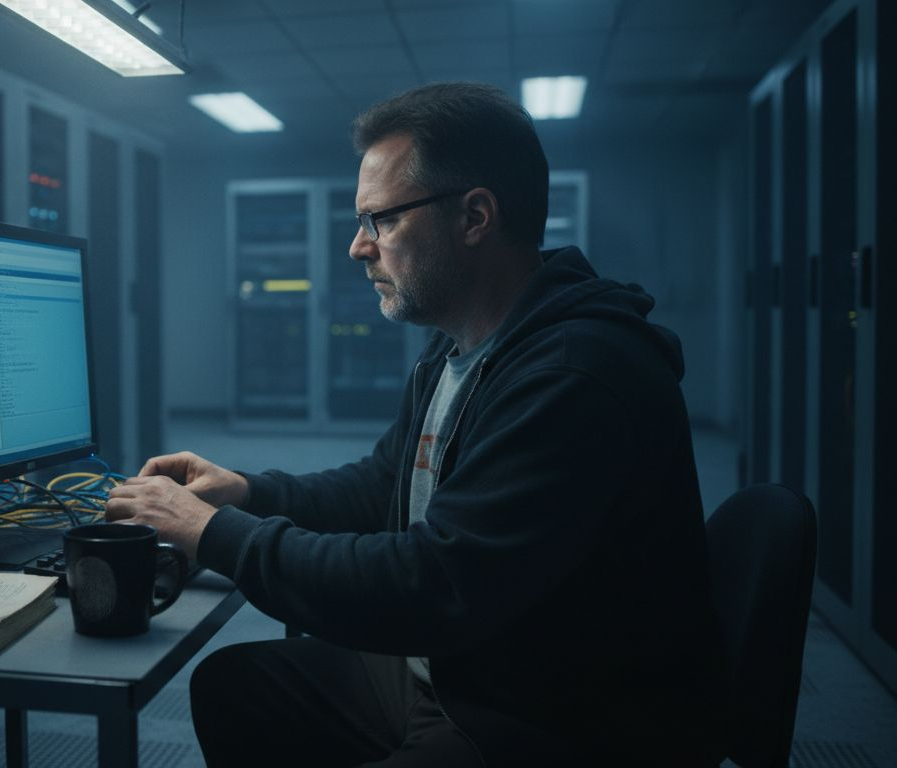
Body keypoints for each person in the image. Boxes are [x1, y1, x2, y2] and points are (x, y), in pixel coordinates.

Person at [105, 82, 724, 766]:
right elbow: (382, 489)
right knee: (238, 686)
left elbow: (434, 586)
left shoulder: (574, 376)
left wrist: (212, 534)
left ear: (475, 217)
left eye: (381, 220)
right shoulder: (461, 345)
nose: (357, 248)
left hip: (546, 716)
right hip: (470, 666)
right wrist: (245, 494)